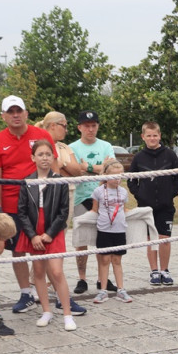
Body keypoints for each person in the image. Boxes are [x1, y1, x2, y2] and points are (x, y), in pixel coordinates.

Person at [0, 95, 58, 314]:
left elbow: (53, 168)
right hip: (10, 204)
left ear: (26, 113)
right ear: (3, 116)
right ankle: (26, 293)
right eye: (11, 112)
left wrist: (53, 200)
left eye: (19, 111)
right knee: (17, 251)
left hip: (39, 203)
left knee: (43, 248)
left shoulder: (42, 135)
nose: (15, 115)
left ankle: (49, 290)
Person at [16, 140, 77, 331]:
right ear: (33, 157)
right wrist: (33, 235)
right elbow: (22, 212)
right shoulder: (27, 182)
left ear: (53, 157)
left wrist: (50, 234)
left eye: (48, 154)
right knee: (39, 272)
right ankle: (46, 310)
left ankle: (67, 314)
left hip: (53, 231)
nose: (44, 158)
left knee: (57, 272)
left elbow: (63, 212)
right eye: (40, 154)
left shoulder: (60, 181)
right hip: (34, 232)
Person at [128, 121, 178, 285]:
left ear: (159, 136)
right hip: (146, 207)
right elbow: (131, 180)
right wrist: (140, 195)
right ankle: (154, 271)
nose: (152, 138)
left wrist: (170, 193)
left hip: (166, 205)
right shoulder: (138, 158)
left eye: (155, 135)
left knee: (164, 238)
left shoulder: (170, 155)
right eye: (149, 136)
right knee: (151, 239)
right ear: (143, 137)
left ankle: (165, 270)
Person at [69, 109, 116, 295]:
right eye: (86, 126)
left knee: (102, 240)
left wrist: (86, 167)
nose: (90, 129)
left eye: (93, 126)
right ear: (79, 127)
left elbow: (110, 168)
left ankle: (102, 278)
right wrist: (99, 170)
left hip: (103, 197)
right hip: (81, 197)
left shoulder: (106, 146)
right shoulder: (72, 147)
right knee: (81, 240)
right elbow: (72, 169)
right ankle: (82, 279)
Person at [91, 160, 132, 305]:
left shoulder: (123, 191)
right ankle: (103, 290)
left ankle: (121, 289)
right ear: (106, 175)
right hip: (104, 230)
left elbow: (125, 209)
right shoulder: (98, 191)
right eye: (114, 175)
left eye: (120, 175)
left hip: (119, 230)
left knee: (117, 260)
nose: (117, 179)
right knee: (104, 260)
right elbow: (94, 210)